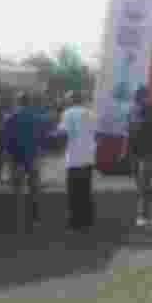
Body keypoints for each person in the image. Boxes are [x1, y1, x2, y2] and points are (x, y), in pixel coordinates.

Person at [2, 92, 44, 233]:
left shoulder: (10, 117)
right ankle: (35, 220)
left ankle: (18, 221)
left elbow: (6, 139)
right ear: (29, 101)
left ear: (18, 102)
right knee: (34, 190)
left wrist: (7, 156)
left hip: (16, 158)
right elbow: (41, 137)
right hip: (32, 157)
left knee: (17, 190)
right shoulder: (36, 117)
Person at [56, 91, 97, 232]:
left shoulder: (68, 113)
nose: (66, 101)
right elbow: (95, 133)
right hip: (88, 156)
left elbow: (63, 134)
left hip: (74, 157)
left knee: (73, 192)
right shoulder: (91, 113)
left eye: (67, 99)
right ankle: (87, 220)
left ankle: (75, 222)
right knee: (85, 190)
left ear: (71, 100)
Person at [129, 86, 152, 226]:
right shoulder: (132, 110)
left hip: (148, 151)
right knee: (141, 184)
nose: (141, 99)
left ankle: (143, 215)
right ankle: (150, 210)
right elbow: (129, 130)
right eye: (139, 96)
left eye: (143, 96)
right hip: (135, 151)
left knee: (143, 183)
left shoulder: (151, 110)